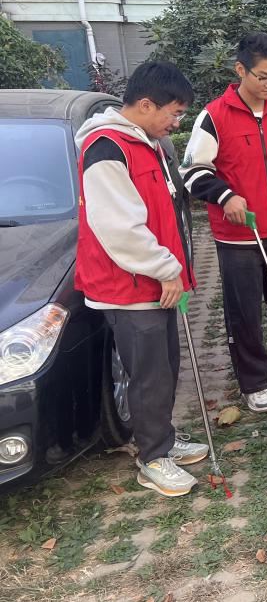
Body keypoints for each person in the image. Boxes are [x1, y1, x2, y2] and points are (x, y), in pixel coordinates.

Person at [75, 61, 208, 497]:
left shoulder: (146, 142)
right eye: (174, 113)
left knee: (164, 368)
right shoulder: (107, 148)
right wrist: (167, 268)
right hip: (130, 289)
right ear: (147, 104)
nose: (176, 122)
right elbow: (120, 228)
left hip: (155, 284)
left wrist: (174, 272)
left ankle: (162, 438)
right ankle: (152, 457)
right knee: (148, 375)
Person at [181, 32, 267, 414]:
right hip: (239, 235)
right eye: (263, 77)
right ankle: (254, 380)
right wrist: (225, 196)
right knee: (245, 310)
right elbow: (192, 170)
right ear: (241, 70)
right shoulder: (214, 116)